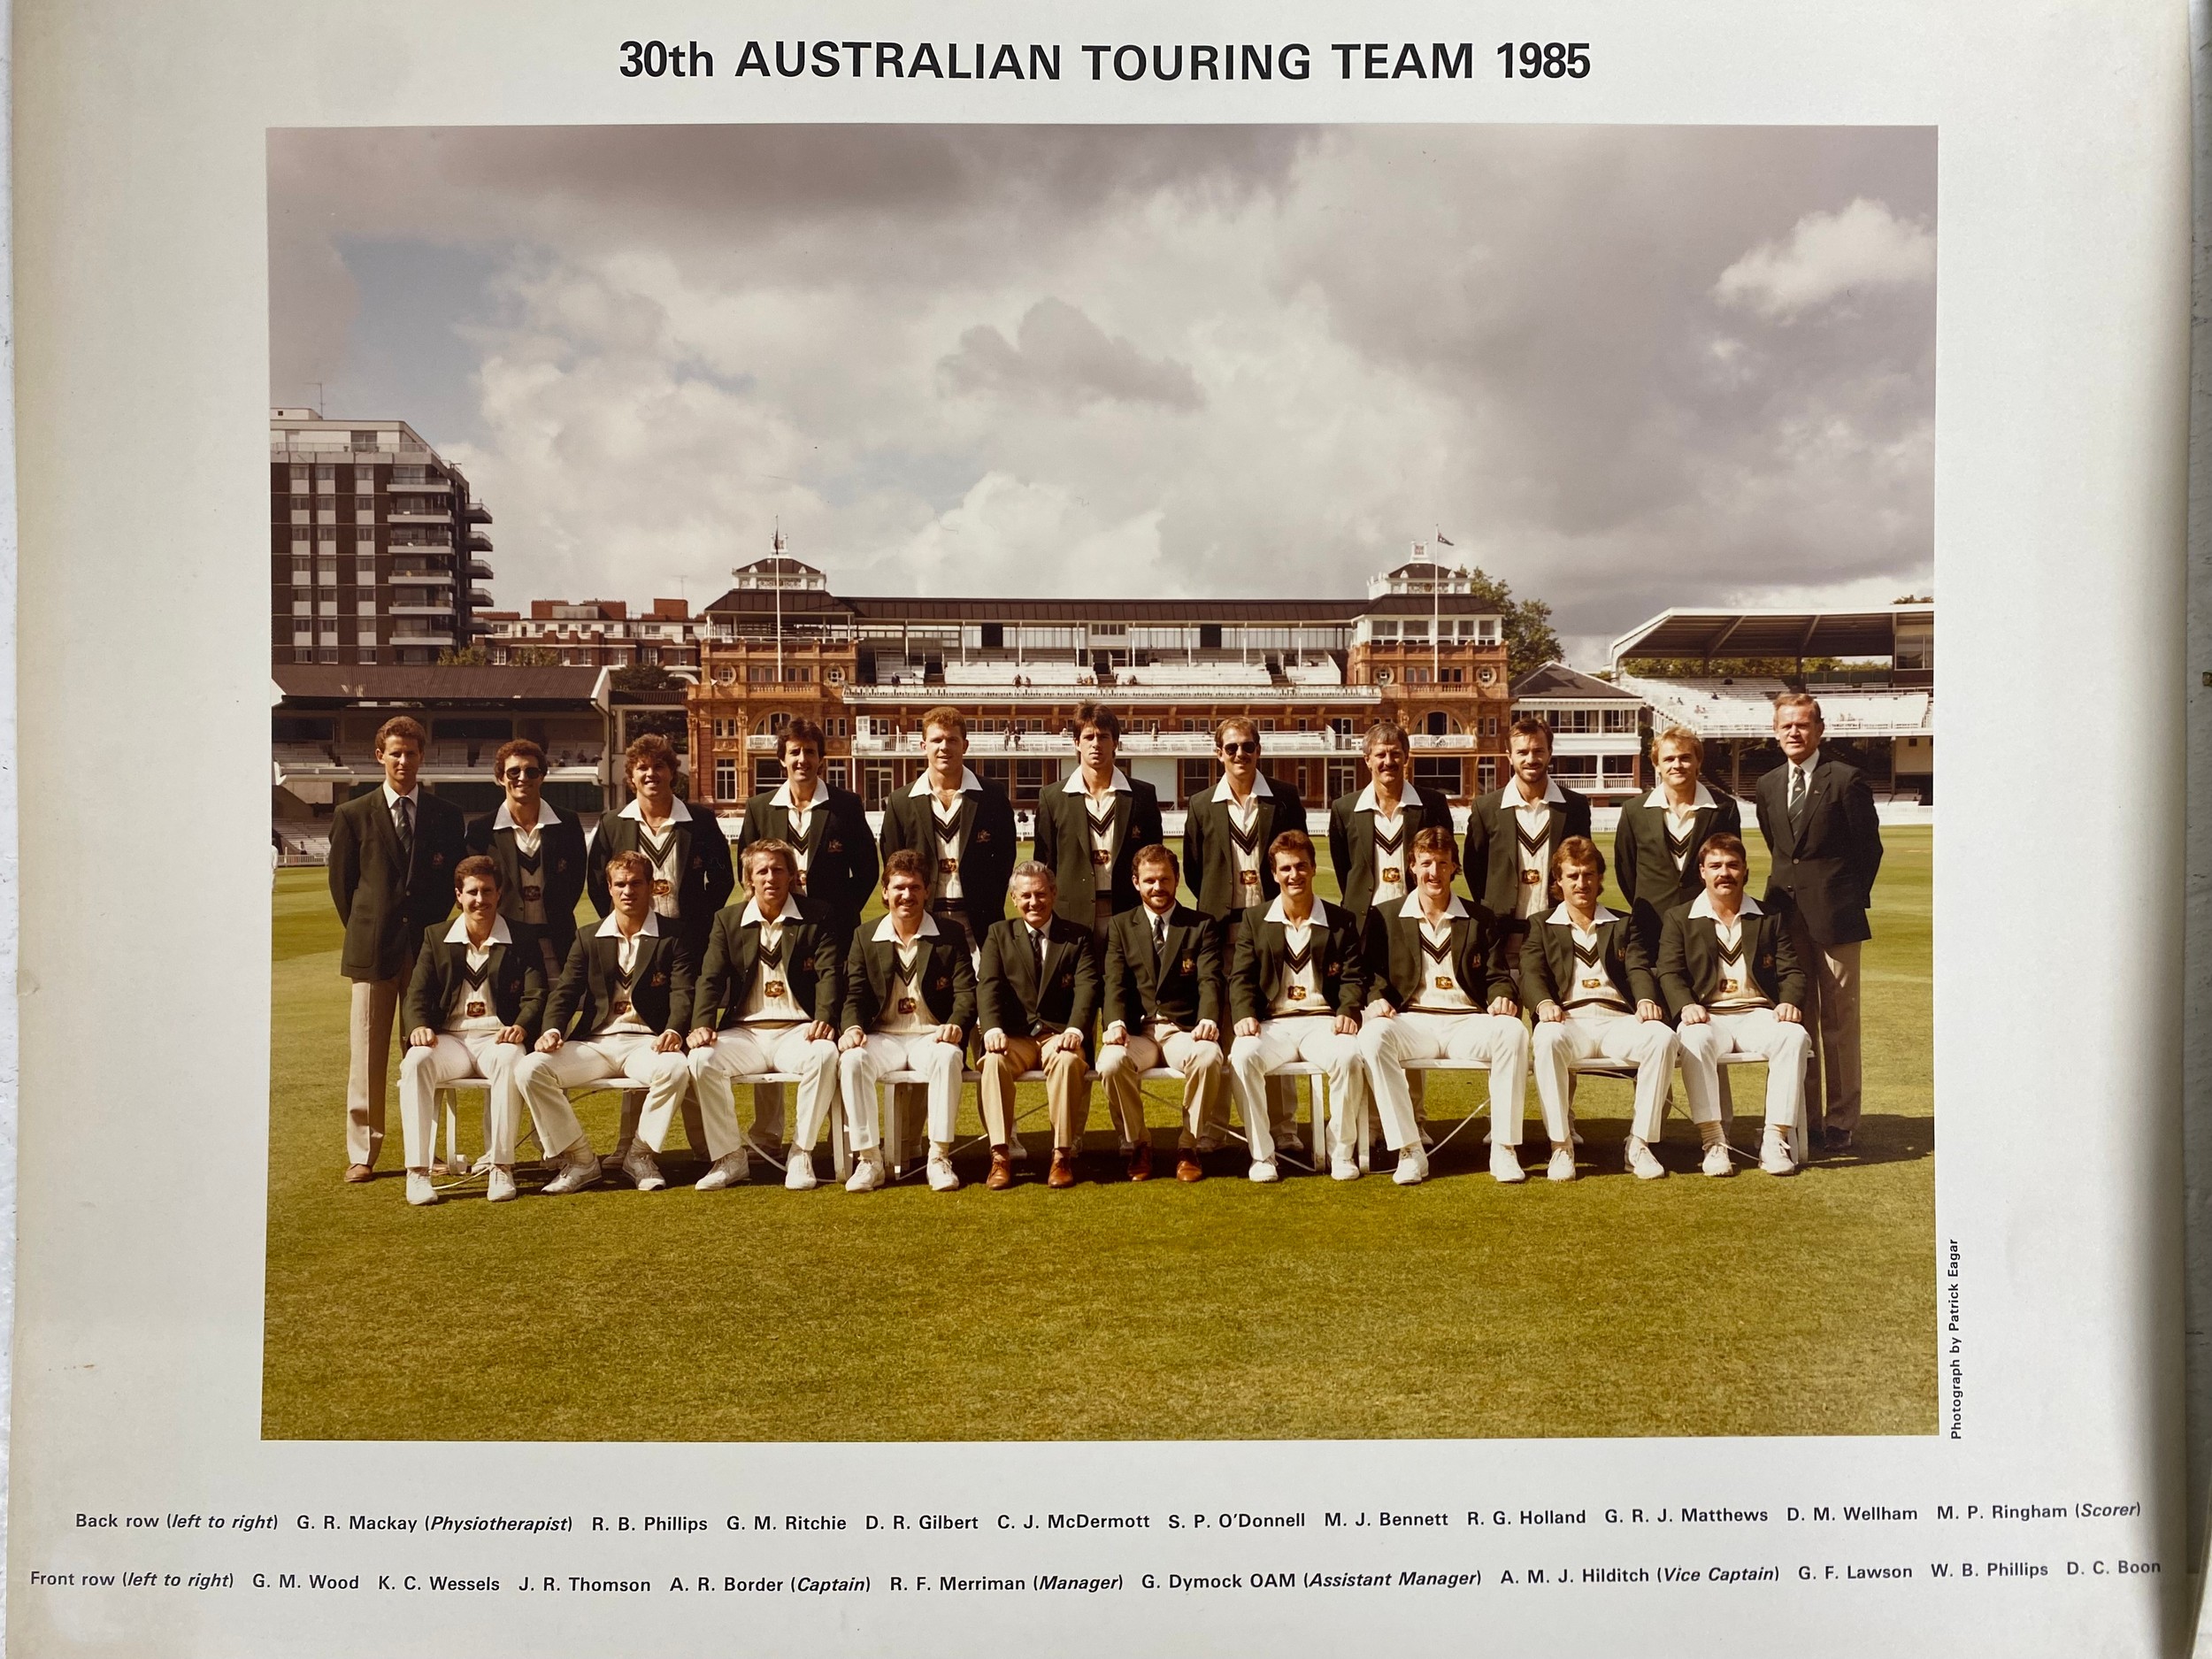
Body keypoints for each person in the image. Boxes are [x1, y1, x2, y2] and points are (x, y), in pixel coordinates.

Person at [326, 715, 469, 1183]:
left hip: (427, 950)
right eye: (395, 753)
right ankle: (363, 1153)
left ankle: (428, 1151)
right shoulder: (353, 813)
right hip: (372, 949)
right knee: (367, 1052)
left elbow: (451, 885)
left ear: (421, 757)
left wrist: (423, 936)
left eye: (411, 753)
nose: (403, 761)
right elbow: (343, 888)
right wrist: (372, 929)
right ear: (379, 756)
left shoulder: (446, 815)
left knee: (425, 1049)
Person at [516, 850, 695, 1195]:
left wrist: (674, 1030)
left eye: (636, 883)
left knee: (676, 1068)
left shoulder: (674, 935)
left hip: (648, 1042)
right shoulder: (588, 936)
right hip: (596, 1042)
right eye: (620, 884)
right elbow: (566, 992)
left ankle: (640, 1156)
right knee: (530, 1069)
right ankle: (581, 1160)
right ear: (609, 889)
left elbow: (683, 992)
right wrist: (553, 1029)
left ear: (651, 887)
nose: (628, 891)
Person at [1357, 828, 1529, 1186]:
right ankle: (1408, 1149)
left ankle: (1504, 1146)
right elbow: (1368, 973)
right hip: (1412, 1022)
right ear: (1412, 867)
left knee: (1512, 1031)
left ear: (1454, 868)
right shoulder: (1385, 916)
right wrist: (1375, 999)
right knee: (1373, 1036)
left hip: (1467, 1022)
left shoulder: (1480, 917)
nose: (1433, 872)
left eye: (1442, 863)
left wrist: (1503, 995)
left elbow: (1499, 974)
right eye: (1425, 864)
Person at [1754, 692, 1883, 1151]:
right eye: (1786, 725)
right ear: (1775, 731)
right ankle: (1804, 1116)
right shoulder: (1768, 785)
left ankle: (1842, 1120)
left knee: (1840, 1022)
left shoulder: (1846, 780)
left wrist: (1842, 899)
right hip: (1786, 921)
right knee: (1797, 1021)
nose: (1794, 732)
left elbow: (1869, 850)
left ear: (1819, 730)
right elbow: (1779, 848)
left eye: (1803, 725)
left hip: (1837, 920)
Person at [1179, 718, 1310, 1160]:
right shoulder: (1200, 804)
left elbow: (1299, 854)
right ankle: (1213, 1128)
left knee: (1273, 1020)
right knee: (1216, 1024)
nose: (1240, 755)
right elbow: (1196, 872)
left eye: (1248, 747)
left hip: (1271, 926)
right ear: (1218, 753)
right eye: (1231, 748)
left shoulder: (1284, 797)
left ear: (1259, 750)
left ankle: (1284, 1127)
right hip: (1220, 928)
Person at [686, 841, 844, 1193]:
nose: (770, 877)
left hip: (798, 1030)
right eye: (762, 871)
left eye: (778, 869)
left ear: (792, 876)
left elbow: (830, 973)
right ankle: (730, 1157)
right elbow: (709, 978)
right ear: (749, 880)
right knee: (701, 1059)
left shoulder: (817, 914)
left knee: (825, 1053)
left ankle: (801, 1152)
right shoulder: (727, 920)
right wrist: (701, 1025)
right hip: (746, 1033)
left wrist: (826, 1018)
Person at [1520, 838, 1680, 1181]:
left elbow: (1638, 967)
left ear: (1600, 877)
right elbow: (1531, 972)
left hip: (1616, 1021)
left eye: (1589, 874)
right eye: (1573, 875)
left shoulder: (1623, 923)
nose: (1582, 883)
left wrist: (1645, 1001)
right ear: (1558, 881)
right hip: (1568, 1020)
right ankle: (1561, 1146)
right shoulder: (1540, 923)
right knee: (1546, 1039)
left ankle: (1639, 1143)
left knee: (1663, 1038)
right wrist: (1545, 1002)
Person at [1657, 833, 1812, 1178]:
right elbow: (1669, 972)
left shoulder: (1769, 916)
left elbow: (1792, 970)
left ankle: (1775, 1139)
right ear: (1702, 872)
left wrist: (1788, 1003)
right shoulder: (1679, 918)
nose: (1724, 873)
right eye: (1715, 866)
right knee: (1694, 1039)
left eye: (1732, 865)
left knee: (1795, 1036)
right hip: (1708, 1016)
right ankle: (1713, 1141)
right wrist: (1685, 1006)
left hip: (1758, 1014)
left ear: (1745, 871)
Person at [396, 856, 546, 1205]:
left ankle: (501, 1166)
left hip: (498, 1037)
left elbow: (536, 994)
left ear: (499, 893)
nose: (481, 899)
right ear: (458, 896)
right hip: (451, 1040)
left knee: (511, 1060)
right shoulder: (436, 936)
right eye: (473, 892)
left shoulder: (521, 936)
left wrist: (521, 1027)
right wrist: (418, 1026)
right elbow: (416, 993)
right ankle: (417, 1173)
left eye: (488, 891)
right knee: (416, 1062)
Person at [1226, 831, 1368, 1183]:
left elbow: (1353, 978)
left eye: (1301, 867)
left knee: (1350, 1057)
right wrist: (1244, 1015)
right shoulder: (1255, 920)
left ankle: (1341, 1150)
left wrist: (1348, 1011)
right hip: (1274, 1024)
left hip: (1323, 1021)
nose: (1294, 875)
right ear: (1273, 874)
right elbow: (1240, 977)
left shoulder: (1341, 920)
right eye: (1286, 868)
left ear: (1313, 869)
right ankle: (1262, 1156)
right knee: (1242, 1056)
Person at [838, 850, 978, 1194]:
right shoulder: (865, 935)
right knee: (852, 1060)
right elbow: (853, 993)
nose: (907, 895)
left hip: (930, 1035)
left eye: (915, 887)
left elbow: (966, 993)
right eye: (899, 887)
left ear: (927, 891)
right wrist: (853, 1027)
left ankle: (939, 1156)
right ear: (884, 891)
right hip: (883, 1036)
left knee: (948, 1056)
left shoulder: (950, 932)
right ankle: (869, 1159)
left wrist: (956, 1024)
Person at [1097, 845, 1226, 1182]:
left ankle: (1188, 1145)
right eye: (1150, 880)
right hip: (1139, 1034)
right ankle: (1139, 1143)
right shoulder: (1121, 925)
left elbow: (1211, 979)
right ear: (1136, 882)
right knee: (1110, 1062)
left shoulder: (1201, 925)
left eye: (1165, 879)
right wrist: (1114, 1023)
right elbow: (1114, 982)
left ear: (1177, 879)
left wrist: (1209, 1019)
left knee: (1209, 1056)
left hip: (1182, 1031)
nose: (1158, 887)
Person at [976, 862, 1101, 1189]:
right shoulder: (998, 934)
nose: (1035, 902)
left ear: (1054, 894)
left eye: (1041, 894)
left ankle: (1061, 1155)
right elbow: (987, 985)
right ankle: (1000, 1155)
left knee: (1069, 1062)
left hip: (1059, 1036)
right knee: (992, 1063)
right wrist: (992, 1029)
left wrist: (1074, 1030)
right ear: (1014, 899)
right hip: (1014, 1037)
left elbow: (1088, 989)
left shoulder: (1077, 937)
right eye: (1026, 896)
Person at [876, 706, 1018, 950]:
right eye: (937, 740)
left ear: (965, 745)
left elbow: (1005, 858)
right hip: (922, 919)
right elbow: (893, 862)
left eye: (952, 739)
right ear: (924, 746)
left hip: (979, 922)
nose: (944, 747)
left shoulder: (992, 796)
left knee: (982, 988)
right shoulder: (901, 801)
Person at [586, 732, 735, 961]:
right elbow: (598, 883)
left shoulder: (700, 820)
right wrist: (623, 921)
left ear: (672, 772)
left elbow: (722, 878)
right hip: (634, 937)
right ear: (631, 777)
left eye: (659, 766)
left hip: (688, 938)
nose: (650, 774)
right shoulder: (613, 823)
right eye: (642, 768)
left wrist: (701, 919)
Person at [1031, 702, 1164, 948]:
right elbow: (1045, 863)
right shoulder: (1052, 798)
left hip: (1129, 914)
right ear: (1076, 742)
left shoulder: (1142, 795)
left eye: (1103, 736)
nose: (1096, 743)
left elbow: (1156, 861)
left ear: (1115, 743)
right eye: (1088, 736)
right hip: (1072, 917)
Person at [736, 718, 877, 951]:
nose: (802, 760)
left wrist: (843, 910)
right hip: (777, 925)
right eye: (795, 752)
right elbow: (746, 871)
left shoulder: (846, 805)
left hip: (834, 929)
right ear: (782, 759)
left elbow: (868, 870)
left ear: (820, 758)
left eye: (810, 752)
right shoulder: (759, 808)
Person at [1612, 726, 1740, 963]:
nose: (1677, 765)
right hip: (1651, 924)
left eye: (1685, 758)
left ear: (1698, 762)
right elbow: (1626, 870)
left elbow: (1732, 867)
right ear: (1657, 765)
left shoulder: (1723, 809)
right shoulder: (1634, 811)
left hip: (1707, 921)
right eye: (1669, 759)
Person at [466, 737, 588, 981]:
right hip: (503, 943)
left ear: (542, 776)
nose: (522, 778)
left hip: (556, 941)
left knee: (557, 1016)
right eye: (513, 772)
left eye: (531, 771)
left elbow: (575, 882)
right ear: (500, 778)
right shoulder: (481, 831)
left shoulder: (567, 824)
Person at [1463, 716, 1594, 941]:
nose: (1531, 759)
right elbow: (1474, 867)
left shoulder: (1574, 806)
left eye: (1538, 751)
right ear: (1509, 756)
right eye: (1522, 752)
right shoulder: (1486, 808)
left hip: (1558, 928)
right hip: (1501, 931)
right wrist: (1494, 905)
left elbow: (1584, 864)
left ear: (1550, 753)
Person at [1327, 720, 1455, 924]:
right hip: (1364, 923)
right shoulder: (1344, 808)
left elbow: (1447, 863)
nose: (1388, 761)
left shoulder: (1432, 804)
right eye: (1380, 755)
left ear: (1406, 757)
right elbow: (1344, 870)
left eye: (1395, 753)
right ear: (1367, 760)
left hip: (1418, 919)